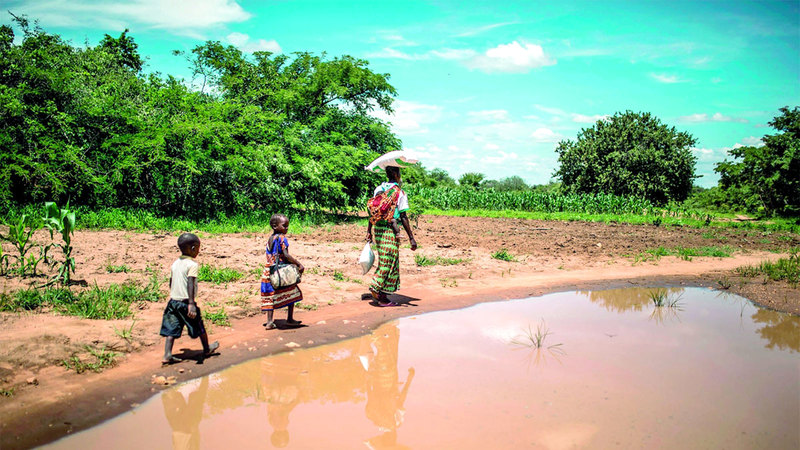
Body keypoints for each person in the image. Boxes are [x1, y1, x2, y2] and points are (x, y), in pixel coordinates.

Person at [160, 233, 219, 365]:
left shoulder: (175, 263)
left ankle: (167, 354)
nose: (198, 251)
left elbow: (171, 281)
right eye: (198, 248)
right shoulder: (192, 264)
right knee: (199, 326)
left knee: (171, 328)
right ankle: (206, 349)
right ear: (193, 248)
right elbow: (190, 282)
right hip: (186, 303)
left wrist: (174, 295)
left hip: (173, 301)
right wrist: (191, 303)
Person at [366, 166, 417, 306]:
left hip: (378, 229)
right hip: (389, 229)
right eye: (399, 172)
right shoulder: (399, 192)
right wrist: (411, 238)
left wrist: (369, 231)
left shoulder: (378, 189)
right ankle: (376, 289)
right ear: (395, 173)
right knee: (389, 261)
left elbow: (373, 212)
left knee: (387, 259)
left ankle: (382, 293)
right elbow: (404, 216)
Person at [261, 213, 305, 330]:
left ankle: (270, 321)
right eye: (284, 226)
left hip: (268, 271)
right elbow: (286, 255)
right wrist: (298, 263)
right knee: (292, 291)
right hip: (281, 271)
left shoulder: (271, 238)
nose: (286, 228)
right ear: (275, 226)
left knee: (271, 296)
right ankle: (289, 318)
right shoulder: (282, 239)